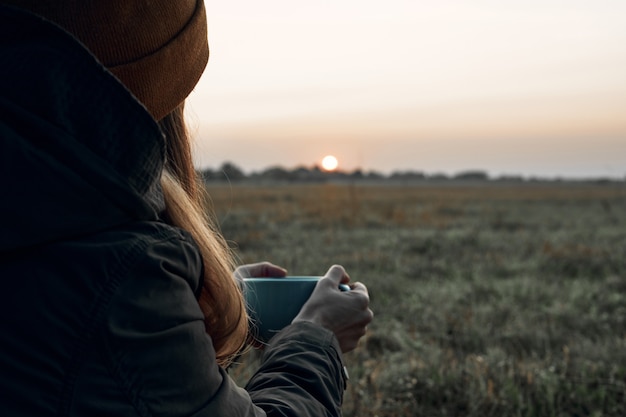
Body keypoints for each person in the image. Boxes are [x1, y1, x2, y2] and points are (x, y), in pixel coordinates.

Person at [0, 1, 373, 416]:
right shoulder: (122, 272)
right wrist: (317, 335)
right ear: (158, 101)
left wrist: (198, 315)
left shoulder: (42, 214)